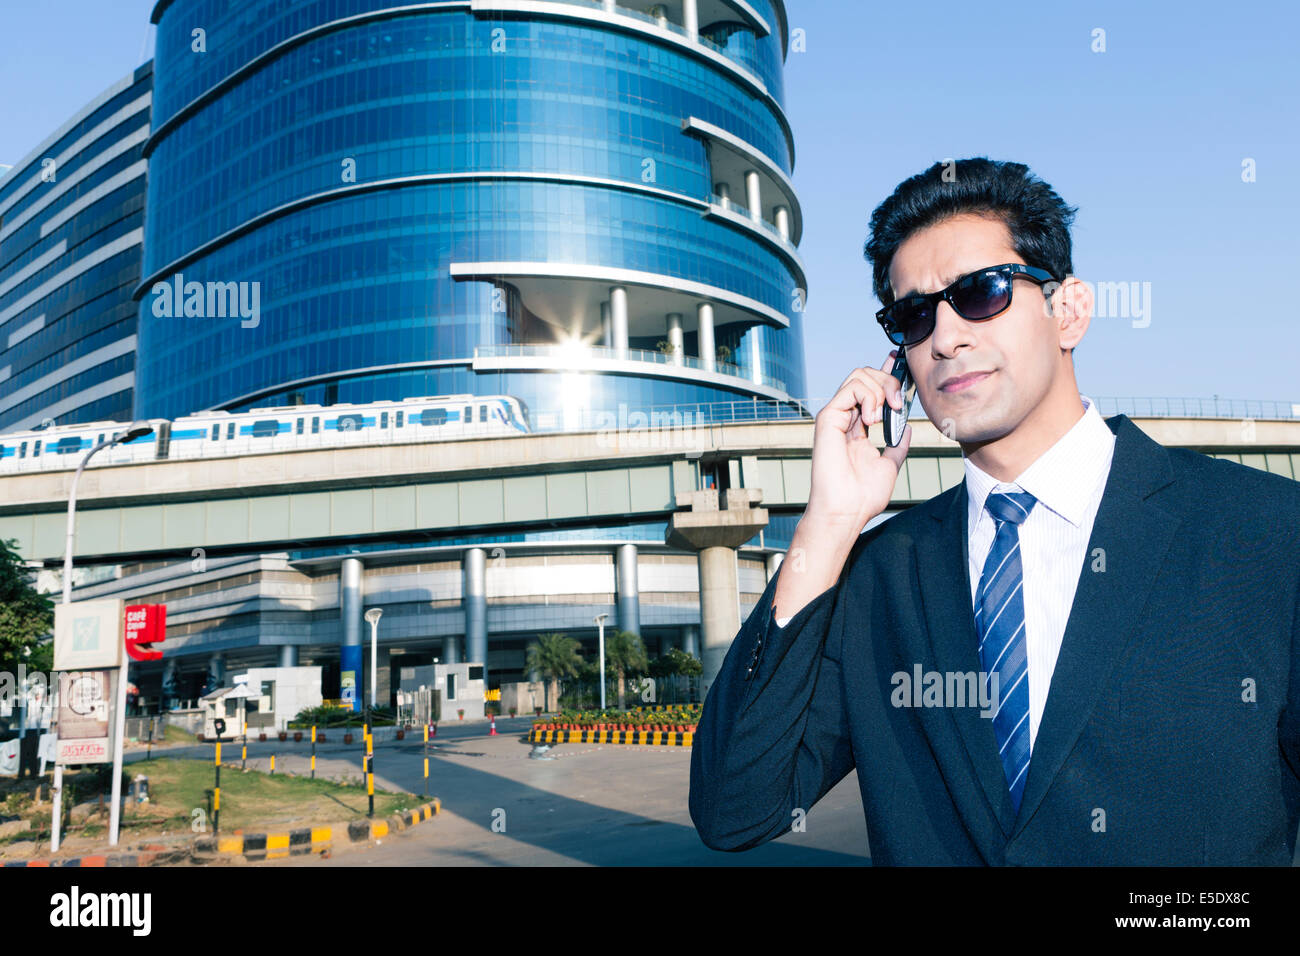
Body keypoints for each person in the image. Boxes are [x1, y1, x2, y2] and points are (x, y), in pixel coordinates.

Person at [688, 157, 1300, 865]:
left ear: (1068, 310)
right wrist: (826, 526)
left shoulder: (1263, 533)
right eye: (915, 315)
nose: (946, 337)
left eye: (981, 292)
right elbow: (735, 807)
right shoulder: (880, 575)